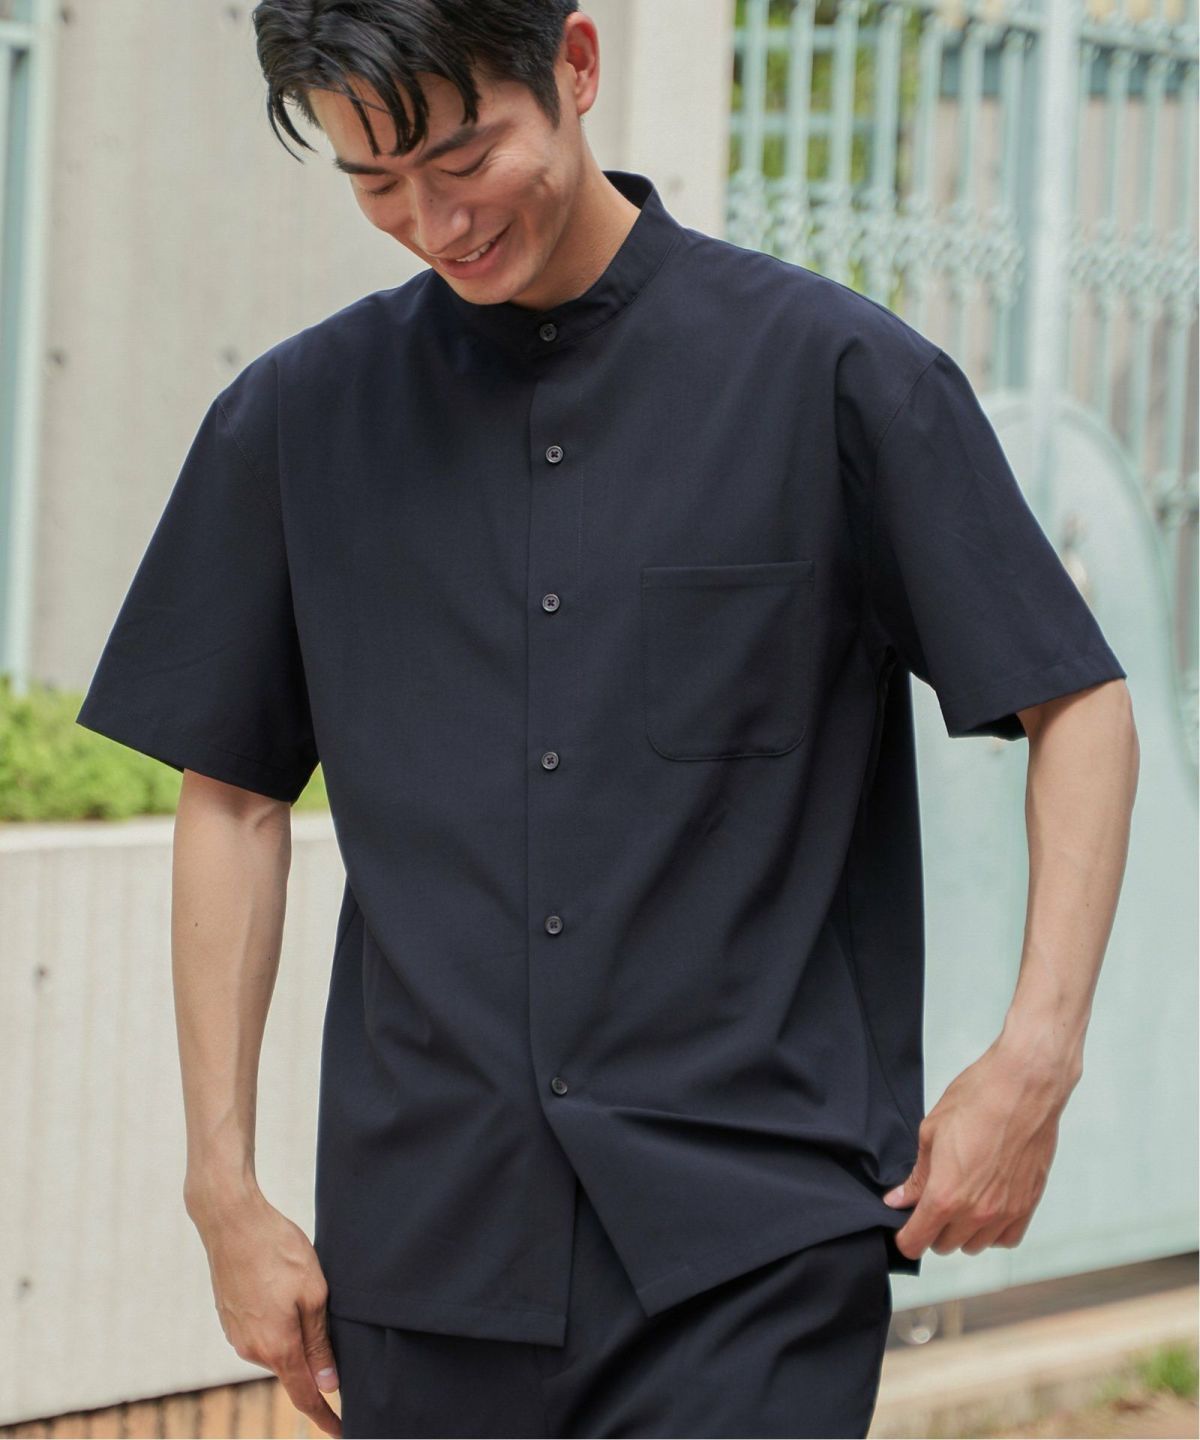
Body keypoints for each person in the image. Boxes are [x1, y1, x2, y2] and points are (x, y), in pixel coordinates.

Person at [75, 2, 1139, 1436]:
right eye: (376, 184)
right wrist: (224, 1190)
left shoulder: (834, 374)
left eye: (464, 160)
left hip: (755, 1244)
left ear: (575, 65)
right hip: (427, 1247)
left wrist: (1035, 1060)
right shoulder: (294, 419)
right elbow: (233, 798)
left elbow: (1078, 702)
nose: (434, 224)